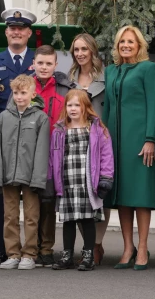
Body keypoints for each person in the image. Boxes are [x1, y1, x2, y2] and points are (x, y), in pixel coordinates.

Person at [103, 25, 155, 271]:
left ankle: (144, 246)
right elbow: (107, 107)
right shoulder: (110, 71)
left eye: (131, 42)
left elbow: (153, 104)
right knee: (123, 196)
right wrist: (103, 139)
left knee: (140, 195)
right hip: (115, 141)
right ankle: (128, 248)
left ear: (139, 46)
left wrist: (150, 139)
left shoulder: (148, 68)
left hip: (139, 140)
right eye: (122, 42)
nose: (126, 45)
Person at [0, 7, 37, 265]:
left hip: (31, 139)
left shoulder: (39, 61)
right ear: (6, 33)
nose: (16, 32)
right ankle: (3, 249)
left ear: (29, 33)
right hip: (2, 140)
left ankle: (34, 250)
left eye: (20, 29)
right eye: (11, 29)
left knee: (32, 199)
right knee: (5, 199)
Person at [48, 89, 114, 271]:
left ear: (86, 107)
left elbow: (106, 155)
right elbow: (52, 158)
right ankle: (67, 255)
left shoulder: (97, 129)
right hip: (67, 181)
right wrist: (50, 179)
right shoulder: (59, 130)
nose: (73, 109)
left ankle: (88, 256)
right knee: (68, 220)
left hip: (87, 182)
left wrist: (106, 178)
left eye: (77, 105)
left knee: (87, 219)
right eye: (70, 105)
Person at [0, 75, 50, 270]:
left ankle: (29, 254)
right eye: (16, 93)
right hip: (8, 175)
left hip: (31, 176)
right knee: (10, 216)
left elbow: (42, 151)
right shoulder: (3, 118)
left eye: (23, 93)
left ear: (33, 94)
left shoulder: (41, 118)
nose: (19, 97)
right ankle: (13, 253)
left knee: (32, 216)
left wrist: (38, 178)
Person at [62, 33, 109, 265]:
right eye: (76, 50)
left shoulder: (105, 75)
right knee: (76, 202)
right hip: (75, 142)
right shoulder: (69, 78)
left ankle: (95, 245)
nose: (80, 54)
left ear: (92, 50)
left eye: (84, 49)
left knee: (98, 197)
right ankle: (81, 249)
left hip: (99, 140)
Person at [32, 45, 72, 268]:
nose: (45, 67)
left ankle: (46, 249)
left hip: (54, 154)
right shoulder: (26, 87)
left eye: (49, 63)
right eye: (41, 63)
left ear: (56, 65)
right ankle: (30, 247)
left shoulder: (65, 89)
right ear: (34, 64)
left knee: (47, 202)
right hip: (31, 153)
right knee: (31, 203)